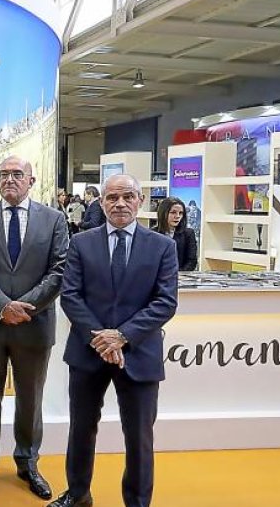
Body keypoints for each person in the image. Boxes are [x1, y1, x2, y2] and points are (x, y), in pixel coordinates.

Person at [48, 174, 179, 507]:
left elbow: (165, 302)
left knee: (139, 437)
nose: (119, 203)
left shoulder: (163, 246)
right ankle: (78, 495)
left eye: (127, 196)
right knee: (81, 429)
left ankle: (137, 501)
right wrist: (102, 340)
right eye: (112, 198)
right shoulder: (81, 243)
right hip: (88, 353)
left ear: (140, 200)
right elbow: (71, 297)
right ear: (101, 202)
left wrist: (122, 336)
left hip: (139, 353)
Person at [0, 157, 68, 499]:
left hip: (33, 325)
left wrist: (25, 307)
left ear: (31, 180)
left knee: (30, 399)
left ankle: (27, 462)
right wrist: (2, 307)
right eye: (4, 174)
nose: (10, 180)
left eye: (16, 174)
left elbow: (59, 270)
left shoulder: (54, 220)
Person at [155, 197, 198, 271]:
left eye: (180, 213)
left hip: (181, 277)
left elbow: (192, 261)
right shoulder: (153, 234)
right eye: (173, 212)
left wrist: (176, 275)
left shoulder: (188, 234)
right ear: (163, 213)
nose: (177, 216)